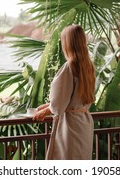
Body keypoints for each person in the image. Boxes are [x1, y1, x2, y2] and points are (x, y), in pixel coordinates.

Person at [32, 24, 95, 160]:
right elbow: (71, 98)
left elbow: (59, 104)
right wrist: (47, 106)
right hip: (84, 124)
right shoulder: (88, 65)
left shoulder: (70, 67)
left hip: (70, 126)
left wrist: (47, 110)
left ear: (68, 43)